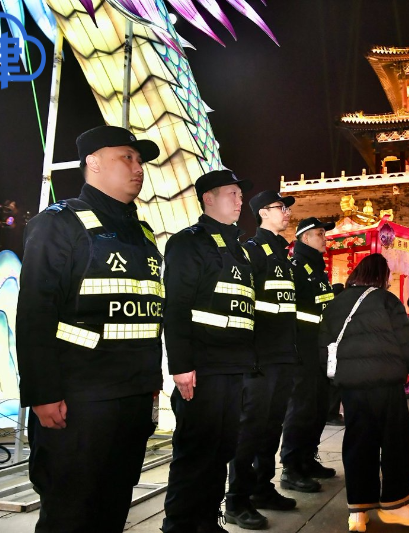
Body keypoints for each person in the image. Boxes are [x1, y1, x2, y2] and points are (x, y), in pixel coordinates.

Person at [16, 125, 163, 532]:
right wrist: (43, 393)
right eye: (127, 158)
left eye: (139, 160)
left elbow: (149, 314)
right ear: (93, 163)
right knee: (69, 510)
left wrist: (151, 384)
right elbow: (35, 313)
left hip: (133, 396)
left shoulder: (143, 233)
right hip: (80, 399)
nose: (138, 168)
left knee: (113, 504)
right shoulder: (59, 223)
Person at [161, 169, 255, 533]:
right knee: (195, 452)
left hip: (233, 367)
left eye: (240, 195)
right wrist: (181, 365)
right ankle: (180, 525)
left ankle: (207, 522)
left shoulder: (238, 249)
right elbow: (176, 306)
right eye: (232, 193)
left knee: (222, 450)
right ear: (209, 198)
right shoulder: (189, 242)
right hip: (202, 367)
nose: (239, 200)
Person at [319, 254, 409, 532]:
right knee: (395, 443)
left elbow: (323, 345)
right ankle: (396, 504)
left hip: (352, 388)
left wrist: (337, 379)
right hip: (386, 385)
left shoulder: (336, 303)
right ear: (380, 275)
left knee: (358, 443)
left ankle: (358, 512)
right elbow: (408, 345)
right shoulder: (387, 301)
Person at [226, 190, 302, 530]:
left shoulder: (283, 256)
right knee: (250, 430)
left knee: (272, 427)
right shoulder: (252, 251)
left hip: (283, 356)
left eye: (286, 208)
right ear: (262, 213)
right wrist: (249, 354)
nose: (286, 213)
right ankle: (236, 500)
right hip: (260, 358)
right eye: (279, 208)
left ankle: (261, 488)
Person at [280, 217, 338, 489]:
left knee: (318, 408)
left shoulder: (317, 269)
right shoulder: (294, 269)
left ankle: (307, 458)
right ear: (304, 238)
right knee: (301, 409)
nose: (324, 238)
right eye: (319, 234)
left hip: (321, 350)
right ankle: (291, 468)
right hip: (303, 350)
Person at [326, 282, 346, 426]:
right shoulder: (339, 308)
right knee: (335, 384)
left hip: (329, 349)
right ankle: (331, 414)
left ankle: (330, 413)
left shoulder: (329, 307)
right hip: (335, 350)